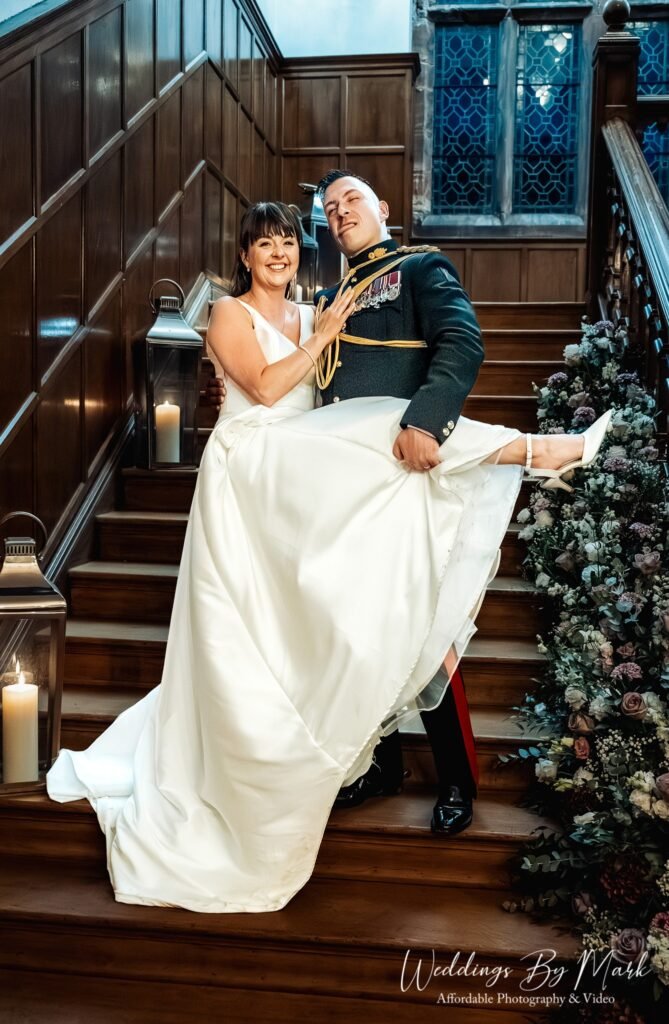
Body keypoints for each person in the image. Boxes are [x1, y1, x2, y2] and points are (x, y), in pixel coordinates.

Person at [47, 200, 612, 914]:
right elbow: (266, 387)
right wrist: (327, 333)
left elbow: (363, 373)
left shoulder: (315, 309)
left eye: (287, 241)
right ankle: (534, 449)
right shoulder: (227, 313)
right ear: (245, 255)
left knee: (384, 469)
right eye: (264, 243)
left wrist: (338, 333)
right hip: (250, 463)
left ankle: (365, 748)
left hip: (297, 471)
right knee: (382, 429)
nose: (277, 252)